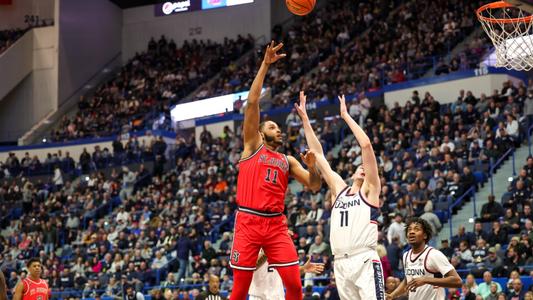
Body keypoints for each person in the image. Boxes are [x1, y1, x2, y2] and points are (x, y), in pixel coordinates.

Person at [229, 42, 321, 300]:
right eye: (271, 127)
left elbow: (314, 186)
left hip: (276, 224)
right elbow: (252, 101)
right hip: (248, 221)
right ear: (260, 132)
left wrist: (313, 168)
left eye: (278, 128)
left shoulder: (287, 160)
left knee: (294, 286)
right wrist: (265, 65)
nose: (277, 129)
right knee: (238, 292)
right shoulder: (252, 145)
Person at [294, 92, 384, 299]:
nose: (363, 168)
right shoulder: (339, 189)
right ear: (352, 172)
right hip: (341, 262)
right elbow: (318, 156)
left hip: (364, 259)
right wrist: (305, 120)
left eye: (366, 168)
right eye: (359, 167)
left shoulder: (370, 191)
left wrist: (345, 116)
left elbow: (366, 145)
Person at [387, 218, 462, 300]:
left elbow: (457, 281)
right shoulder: (406, 255)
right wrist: (392, 295)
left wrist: (426, 280)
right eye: (409, 230)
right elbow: (407, 280)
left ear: (425, 235)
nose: (411, 232)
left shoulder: (434, 254)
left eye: (416, 229)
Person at [249, 248, 325, 300]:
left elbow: (287, 271)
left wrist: (303, 269)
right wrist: (269, 248)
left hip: (278, 296)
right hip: (258, 296)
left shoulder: (281, 247)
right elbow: (250, 266)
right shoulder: (252, 243)